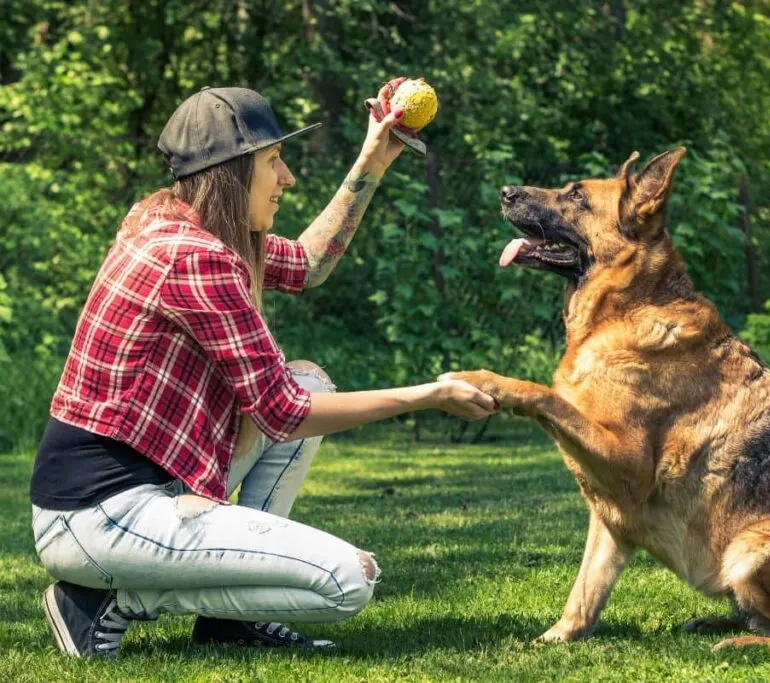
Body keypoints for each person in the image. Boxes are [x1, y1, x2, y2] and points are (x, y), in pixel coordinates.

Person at [29, 81, 497, 659]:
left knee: (309, 379)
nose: (288, 177)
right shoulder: (195, 257)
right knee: (348, 580)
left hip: (137, 489)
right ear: (230, 170)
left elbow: (306, 264)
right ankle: (106, 603)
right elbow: (282, 414)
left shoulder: (176, 221)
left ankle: (230, 623)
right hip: (101, 513)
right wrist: (427, 394)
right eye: (273, 161)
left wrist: (375, 154)